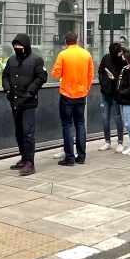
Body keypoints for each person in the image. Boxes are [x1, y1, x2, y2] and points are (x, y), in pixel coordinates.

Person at [3, 34, 47, 176]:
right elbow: (5, 76)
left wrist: (30, 91)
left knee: (28, 132)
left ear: (26, 46)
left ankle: (30, 162)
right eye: (15, 46)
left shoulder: (36, 60)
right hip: (15, 100)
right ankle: (23, 157)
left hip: (28, 102)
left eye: (20, 46)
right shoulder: (11, 60)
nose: (17, 48)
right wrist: (8, 89)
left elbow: (42, 77)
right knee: (19, 131)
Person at [52, 32, 94, 167]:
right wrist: (86, 88)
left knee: (67, 125)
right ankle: (81, 156)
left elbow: (55, 73)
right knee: (80, 124)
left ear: (66, 41)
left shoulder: (63, 54)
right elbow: (90, 74)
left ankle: (69, 157)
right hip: (81, 93)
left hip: (67, 94)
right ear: (77, 40)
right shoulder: (86, 54)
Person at [97, 42, 125, 152]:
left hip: (116, 93)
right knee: (105, 118)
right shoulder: (106, 58)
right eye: (118, 51)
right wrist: (103, 81)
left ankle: (120, 142)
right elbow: (100, 70)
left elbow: (124, 75)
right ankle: (107, 141)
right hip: (105, 92)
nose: (120, 53)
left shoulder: (122, 61)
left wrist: (115, 79)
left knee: (118, 117)